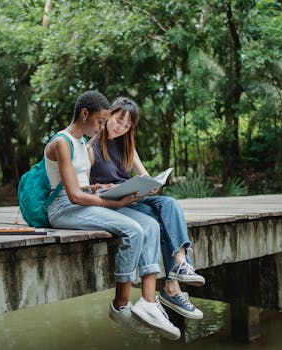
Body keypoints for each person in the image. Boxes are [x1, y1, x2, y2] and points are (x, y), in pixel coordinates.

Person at [45, 90, 180, 340]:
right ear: (85, 114)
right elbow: (72, 195)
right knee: (133, 230)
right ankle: (120, 306)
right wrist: (112, 203)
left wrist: (100, 188)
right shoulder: (62, 142)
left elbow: (81, 185)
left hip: (85, 201)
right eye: (99, 121)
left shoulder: (79, 143)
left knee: (149, 225)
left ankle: (148, 303)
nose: (101, 128)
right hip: (65, 208)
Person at [88, 96, 206, 320]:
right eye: (117, 121)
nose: (120, 128)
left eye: (126, 126)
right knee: (157, 221)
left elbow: (144, 176)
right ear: (109, 115)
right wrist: (107, 187)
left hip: (133, 199)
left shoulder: (127, 147)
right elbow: (85, 190)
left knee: (169, 203)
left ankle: (180, 262)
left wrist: (151, 185)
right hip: (114, 205)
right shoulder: (91, 147)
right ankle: (172, 288)